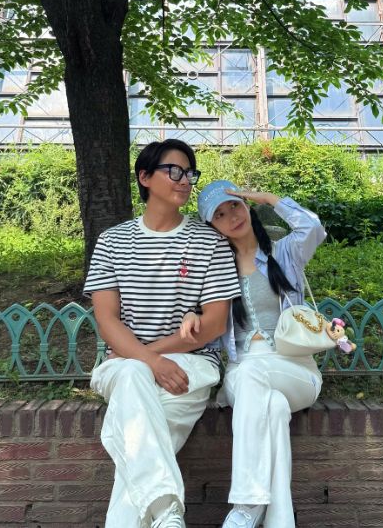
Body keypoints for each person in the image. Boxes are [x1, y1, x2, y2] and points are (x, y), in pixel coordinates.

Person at [84, 142, 241, 528]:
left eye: (189, 173)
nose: (185, 180)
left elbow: (214, 325)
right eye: (174, 171)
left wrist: (145, 356)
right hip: (125, 364)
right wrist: (150, 361)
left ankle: (166, 515)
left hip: (189, 366)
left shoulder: (210, 241)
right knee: (136, 385)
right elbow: (107, 321)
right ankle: (167, 512)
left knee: (134, 433)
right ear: (144, 177)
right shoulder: (112, 241)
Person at [196, 180, 327, 528]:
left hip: (295, 370)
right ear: (213, 227)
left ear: (247, 205)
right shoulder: (216, 272)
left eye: (235, 205)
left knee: (254, 376)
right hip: (242, 372)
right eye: (219, 215)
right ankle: (277, 521)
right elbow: (205, 326)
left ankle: (246, 506)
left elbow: (312, 227)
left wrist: (269, 199)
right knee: (273, 407)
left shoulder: (284, 254)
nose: (232, 216)